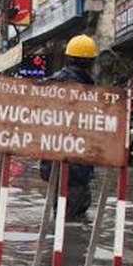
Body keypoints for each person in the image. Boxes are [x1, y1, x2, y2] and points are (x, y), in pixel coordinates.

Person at [40, 34, 98, 220]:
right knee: (70, 217)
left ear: (67, 58)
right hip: (75, 162)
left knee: (64, 211)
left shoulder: (52, 82)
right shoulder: (85, 87)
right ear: (91, 62)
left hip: (52, 156)